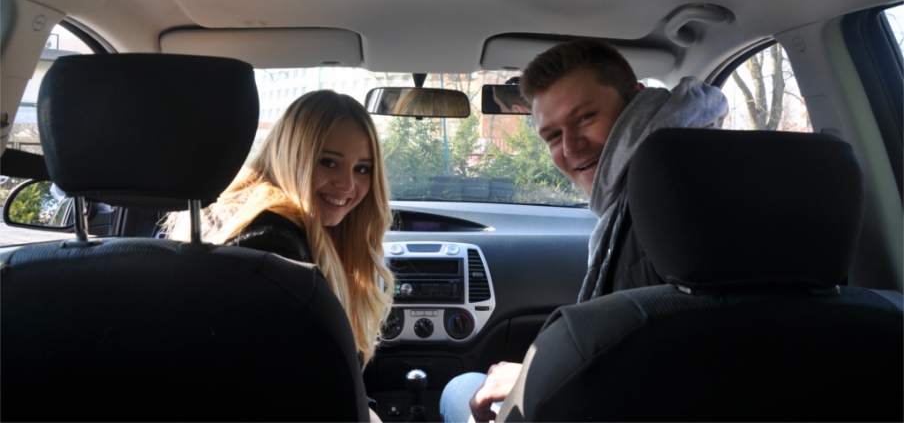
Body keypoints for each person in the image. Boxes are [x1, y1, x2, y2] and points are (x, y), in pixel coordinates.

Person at [440, 40, 728, 423]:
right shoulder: (709, 187)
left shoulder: (650, 216)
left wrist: (535, 379)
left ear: (635, 99)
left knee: (461, 389)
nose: (571, 146)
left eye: (586, 117)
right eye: (552, 136)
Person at [165, 90, 394, 420]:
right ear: (292, 156)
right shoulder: (274, 247)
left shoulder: (232, 214)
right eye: (328, 162)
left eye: (362, 169)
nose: (347, 184)